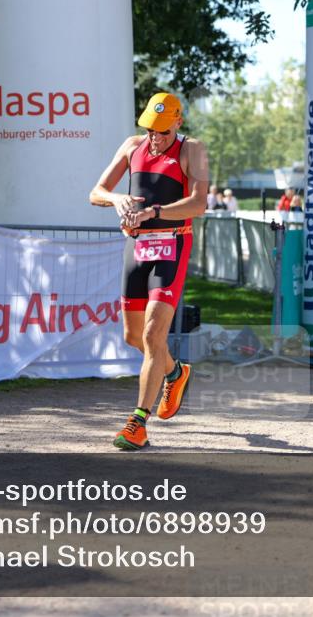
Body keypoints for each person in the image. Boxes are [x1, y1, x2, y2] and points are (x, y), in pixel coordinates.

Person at [89, 92, 208, 451]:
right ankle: (175, 372)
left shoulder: (193, 150)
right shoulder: (132, 146)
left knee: (155, 334)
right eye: (150, 130)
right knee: (133, 336)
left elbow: (199, 204)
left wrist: (152, 212)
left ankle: (138, 423)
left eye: (162, 131)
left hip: (173, 244)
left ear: (177, 122)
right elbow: (96, 191)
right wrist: (118, 200)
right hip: (137, 247)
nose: (155, 137)